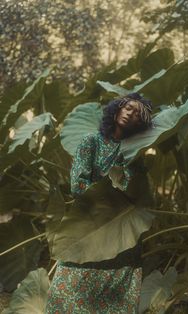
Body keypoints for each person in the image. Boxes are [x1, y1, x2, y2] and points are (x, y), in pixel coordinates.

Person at [46, 92, 153, 314]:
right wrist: (106, 195)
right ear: (117, 109)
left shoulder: (134, 153)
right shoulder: (91, 141)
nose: (130, 114)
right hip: (92, 220)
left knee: (116, 291)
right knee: (72, 283)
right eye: (128, 108)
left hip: (120, 224)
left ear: (140, 124)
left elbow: (139, 192)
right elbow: (77, 184)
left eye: (136, 114)